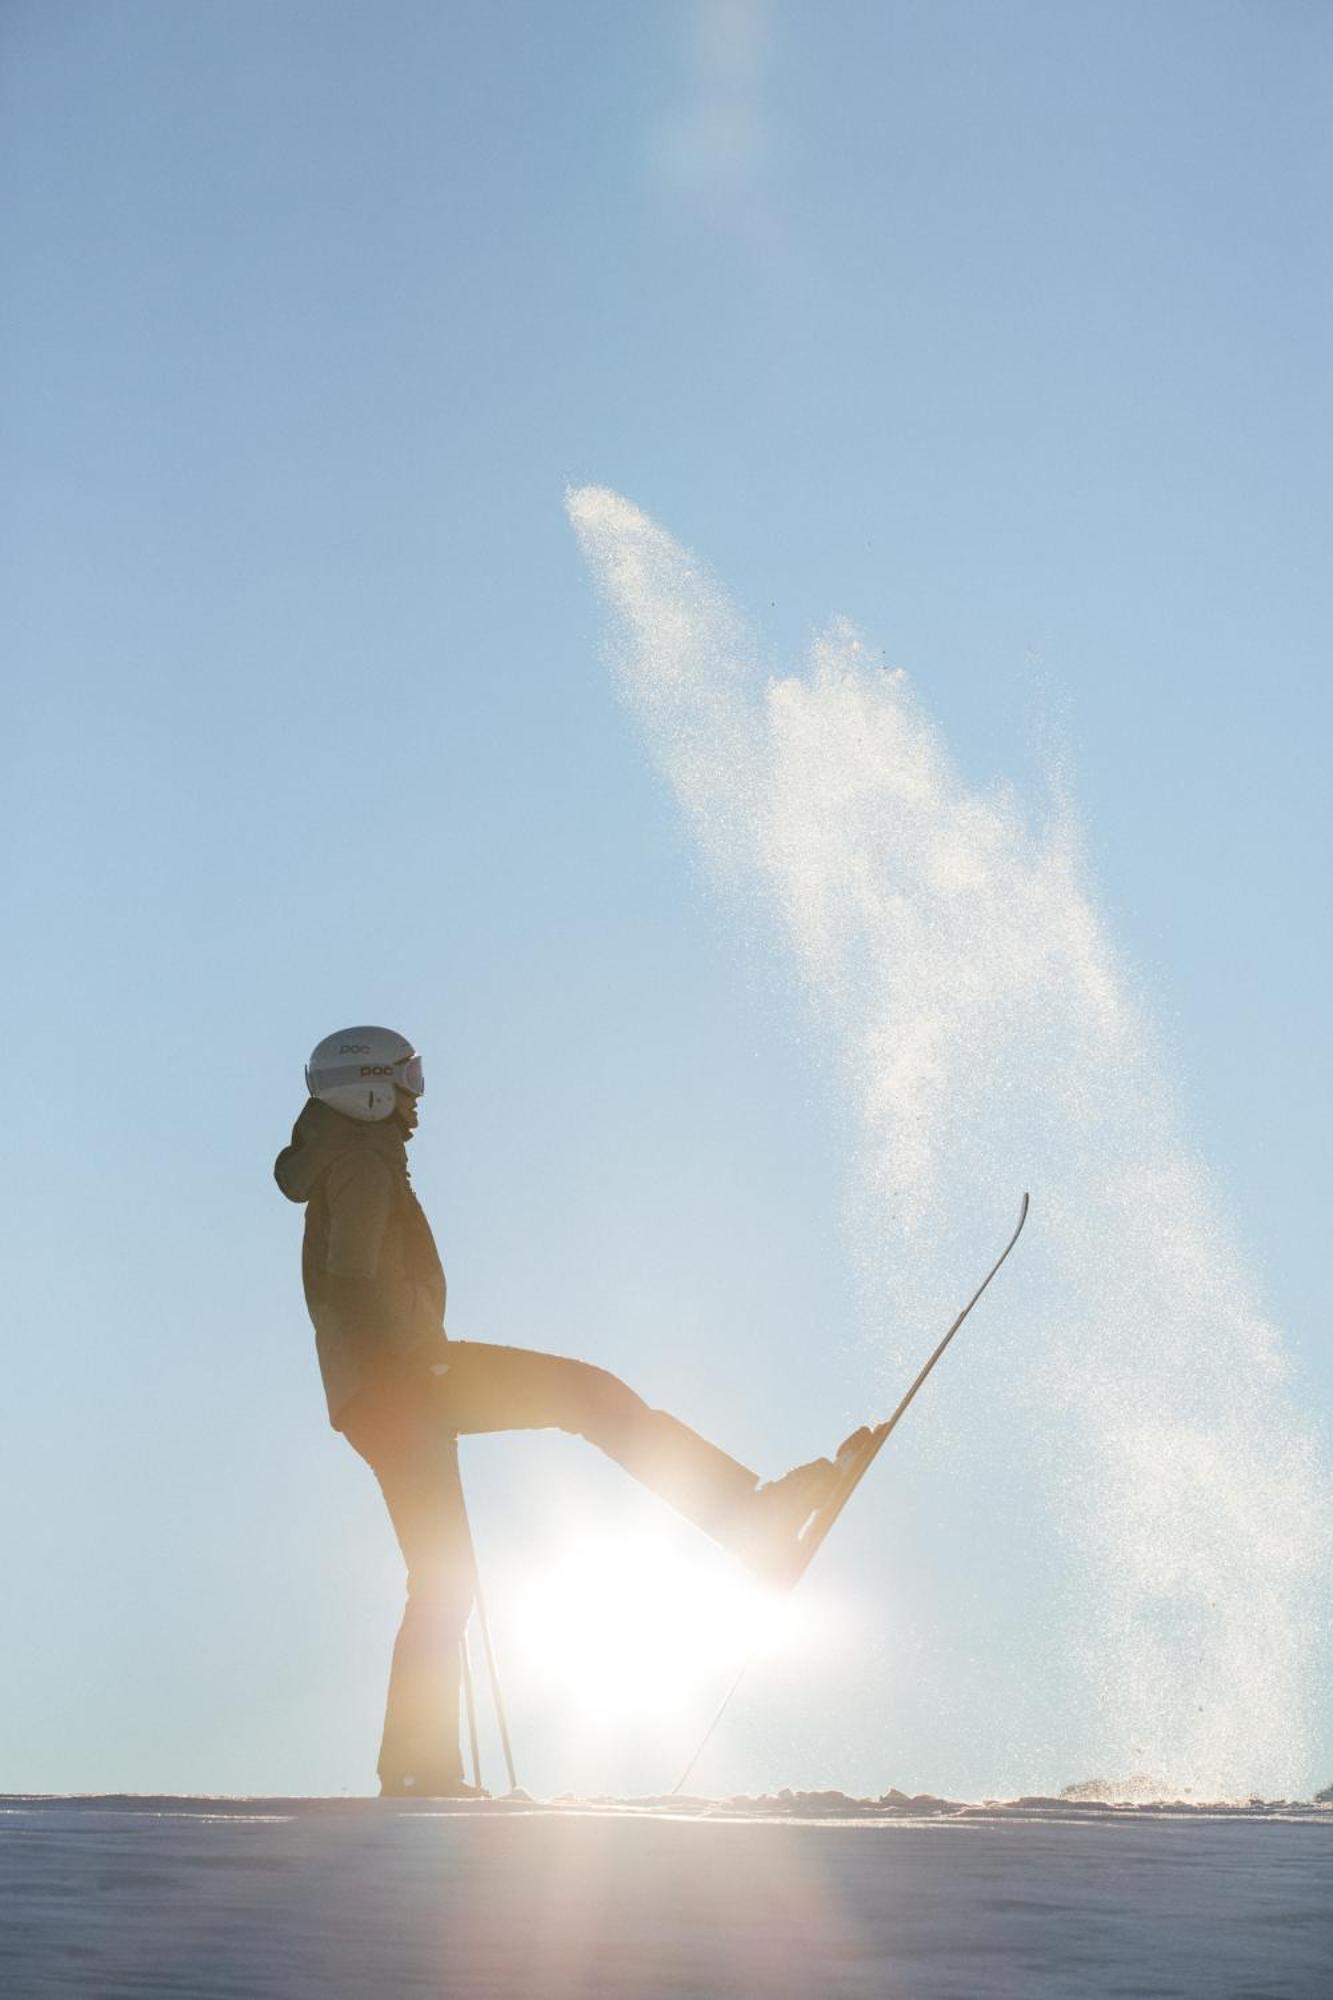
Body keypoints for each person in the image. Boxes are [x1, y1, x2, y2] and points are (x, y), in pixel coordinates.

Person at [275, 1024, 849, 1798]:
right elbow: (350, 1277)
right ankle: (751, 1521)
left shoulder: (346, 1155)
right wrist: (410, 1365)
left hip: (376, 1394)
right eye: (408, 1079)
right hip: (402, 1380)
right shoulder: (361, 1161)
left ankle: (416, 1769)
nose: (418, 1097)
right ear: (369, 1088)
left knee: (443, 1580)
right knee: (588, 1395)